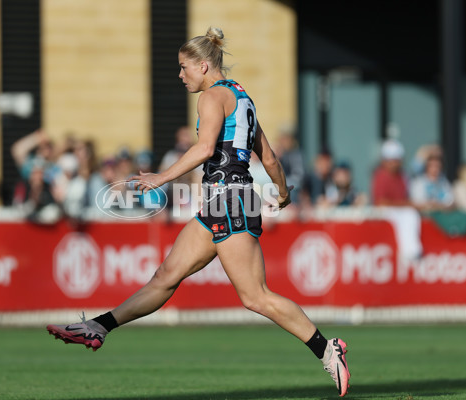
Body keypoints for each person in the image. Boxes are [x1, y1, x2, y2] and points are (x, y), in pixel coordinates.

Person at [46, 27, 350, 397]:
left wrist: (161, 178)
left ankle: (326, 348)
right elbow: (268, 157)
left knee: (255, 296)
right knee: (165, 276)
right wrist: (283, 194)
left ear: (204, 66)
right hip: (226, 201)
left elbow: (205, 149)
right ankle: (99, 326)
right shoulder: (242, 97)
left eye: (183, 67)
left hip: (230, 199)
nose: (180, 75)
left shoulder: (211, 97)